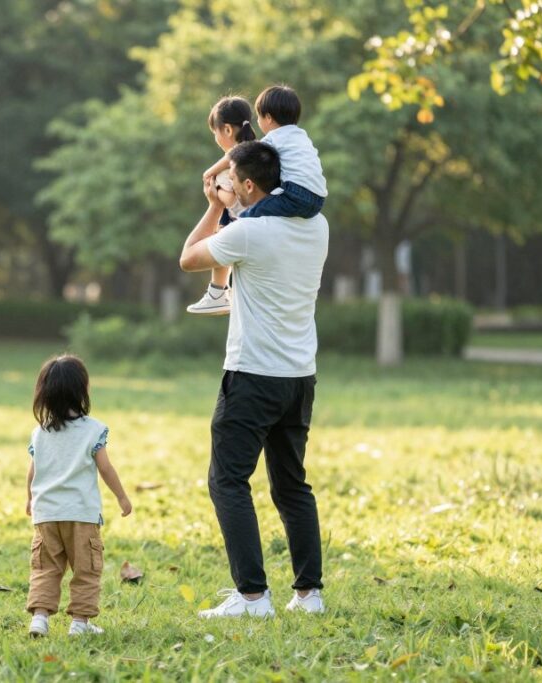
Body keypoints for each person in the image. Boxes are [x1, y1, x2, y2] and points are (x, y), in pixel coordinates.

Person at [180, 140, 329, 618]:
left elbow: (189, 257)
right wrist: (234, 208)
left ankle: (252, 597)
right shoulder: (317, 226)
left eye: (234, 181)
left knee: (227, 480)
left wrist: (213, 207)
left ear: (246, 184)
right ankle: (309, 595)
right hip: (299, 376)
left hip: (251, 376)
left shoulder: (248, 233)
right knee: (291, 486)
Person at [191, 85, 328, 316]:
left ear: (268, 118)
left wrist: (209, 174)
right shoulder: (301, 138)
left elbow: (237, 154)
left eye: (260, 117)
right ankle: (223, 290)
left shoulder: (271, 141)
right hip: (317, 198)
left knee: (246, 219)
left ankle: (225, 290)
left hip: (294, 194)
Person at [24, 354, 132, 637]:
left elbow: (32, 471)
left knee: (46, 568)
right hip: (81, 514)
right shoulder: (93, 430)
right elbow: (105, 468)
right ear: (82, 391)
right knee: (86, 570)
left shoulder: (40, 432)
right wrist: (121, 497)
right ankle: (80, 624)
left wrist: (29, 498)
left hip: (46, 513)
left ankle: (40, 618)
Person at [186, 96, 257, 316]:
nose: (215, 138)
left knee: (219, 244)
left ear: (227, 130)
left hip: (240, 218)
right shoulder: (256, 151)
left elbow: (231, 200)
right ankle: (217, 292)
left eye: (214, 132)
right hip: (254, 219)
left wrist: (215, 191)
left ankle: (217, 293)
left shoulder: (233, 165)